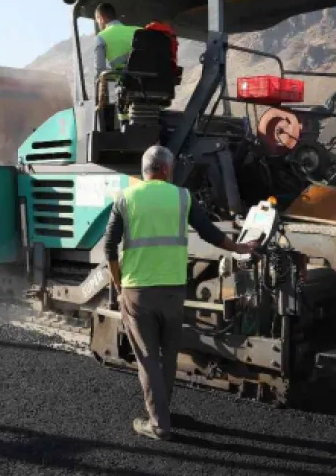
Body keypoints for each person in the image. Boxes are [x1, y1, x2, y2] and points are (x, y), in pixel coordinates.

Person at [104, 145, 261, 440]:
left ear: (146, 169)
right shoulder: (182, 197)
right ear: (165, 169)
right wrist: (240, 248)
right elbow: (209, 233)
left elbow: (109, 247)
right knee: (168, 355)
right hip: (174, 291)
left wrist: (117, 281)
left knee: (148, 357)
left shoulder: (125, 198)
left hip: (137, 290)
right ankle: (162, 410)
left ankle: (159, 422)